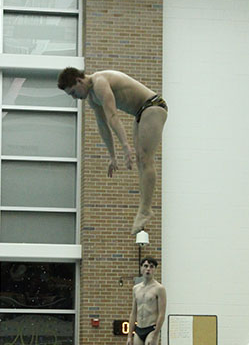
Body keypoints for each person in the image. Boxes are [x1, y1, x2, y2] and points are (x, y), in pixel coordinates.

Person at [57, 67, 168, 235]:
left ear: (79, 81)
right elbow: (103, 126)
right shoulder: (92, 98)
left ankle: (145, 209)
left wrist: (125, 146)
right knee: (140, 161)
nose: (75, 98)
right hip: (141, 112)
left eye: (73, 92)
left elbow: (113, 116)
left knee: (145, 159)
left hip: (152, 105)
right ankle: (144, 208)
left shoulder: (100, 82)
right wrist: (112, 155)